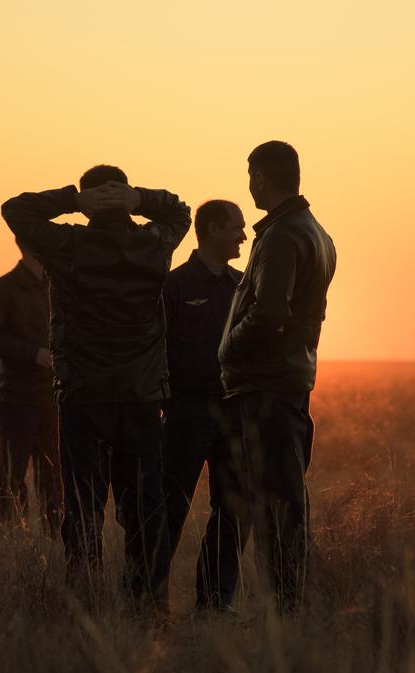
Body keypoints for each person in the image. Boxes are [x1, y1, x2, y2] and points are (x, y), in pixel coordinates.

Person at [1, 166, 190, 608]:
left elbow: (15, 209)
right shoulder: (153, 243)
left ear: (89, 202)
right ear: (124, 195)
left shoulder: (67, 245)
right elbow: (179, 210)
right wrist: (140, 199)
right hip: (141, 395)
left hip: (83, 394)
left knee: (83, 505)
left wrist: (71, 200)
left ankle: (85, 601)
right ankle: (146, 603)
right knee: (146, 504)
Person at [219, 141, 336, 612]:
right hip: (289, 384)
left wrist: (228, 348)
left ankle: (283, 611)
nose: (249, 186)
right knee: (284, 498)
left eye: (252, 177)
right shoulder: (314, 232)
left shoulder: (284, 235)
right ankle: (287, 608)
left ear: (263, 177)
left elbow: (268, 313)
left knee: (275, 506)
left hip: (266, 387)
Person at [159, 200, 247, 610]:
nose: (243, 236)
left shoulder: (244, 286)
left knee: (233, 510)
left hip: (234, 415)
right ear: (211, 229)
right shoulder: (173, 286)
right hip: (185, 413)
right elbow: (156, 349)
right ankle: (146, 600)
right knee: (167, 508)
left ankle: (215, 604)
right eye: (236, 228)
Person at [0, 242, 60, 530]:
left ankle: (53, 538)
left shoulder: (58, 286)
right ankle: (13, 538)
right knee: (13, 475)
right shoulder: (2, 289)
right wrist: (33, 354)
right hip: (17, 397)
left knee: (53, 474)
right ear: (28, 245)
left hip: (54, 396)